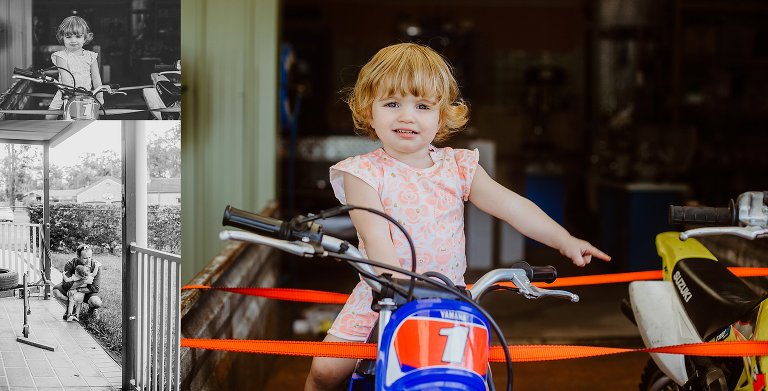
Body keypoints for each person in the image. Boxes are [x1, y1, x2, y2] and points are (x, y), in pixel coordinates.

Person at [305, 43, 611, 390]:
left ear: (442, 116)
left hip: (447, 303)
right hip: (383, 295)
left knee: (469, 377)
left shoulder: (458, 166)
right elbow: (376, 237)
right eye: (392, 104)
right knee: (325, 371)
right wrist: (397, 286)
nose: (407, 116)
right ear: (368, 110)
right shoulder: (362, 173)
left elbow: (513, 206)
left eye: (422, 106)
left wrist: (564, 240)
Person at [46, 16, 103, 119]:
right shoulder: (61, 56)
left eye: (78, 36)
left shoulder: (91, 56)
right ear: (62, 37)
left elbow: (96, 78)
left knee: (93, 118)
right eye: (68, 37)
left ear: (85, 38)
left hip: (87, 94)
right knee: (49, 117)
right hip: (65, 93)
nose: (73, 40)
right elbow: (65, 76)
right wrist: (71, 94)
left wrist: (99, 96)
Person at [53, 244, 103, 320]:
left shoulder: (96, 266)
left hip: (87, 291)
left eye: (90, 257)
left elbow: (95, 288)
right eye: (85, 258)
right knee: (56, 292)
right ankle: (71, 308)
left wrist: (77, 289)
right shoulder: (70, 264)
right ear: (78, 257)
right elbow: (66, 285)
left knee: (96, 302)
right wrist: (83, 281)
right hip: (71, 291)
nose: (88, 260)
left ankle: (92, 310)